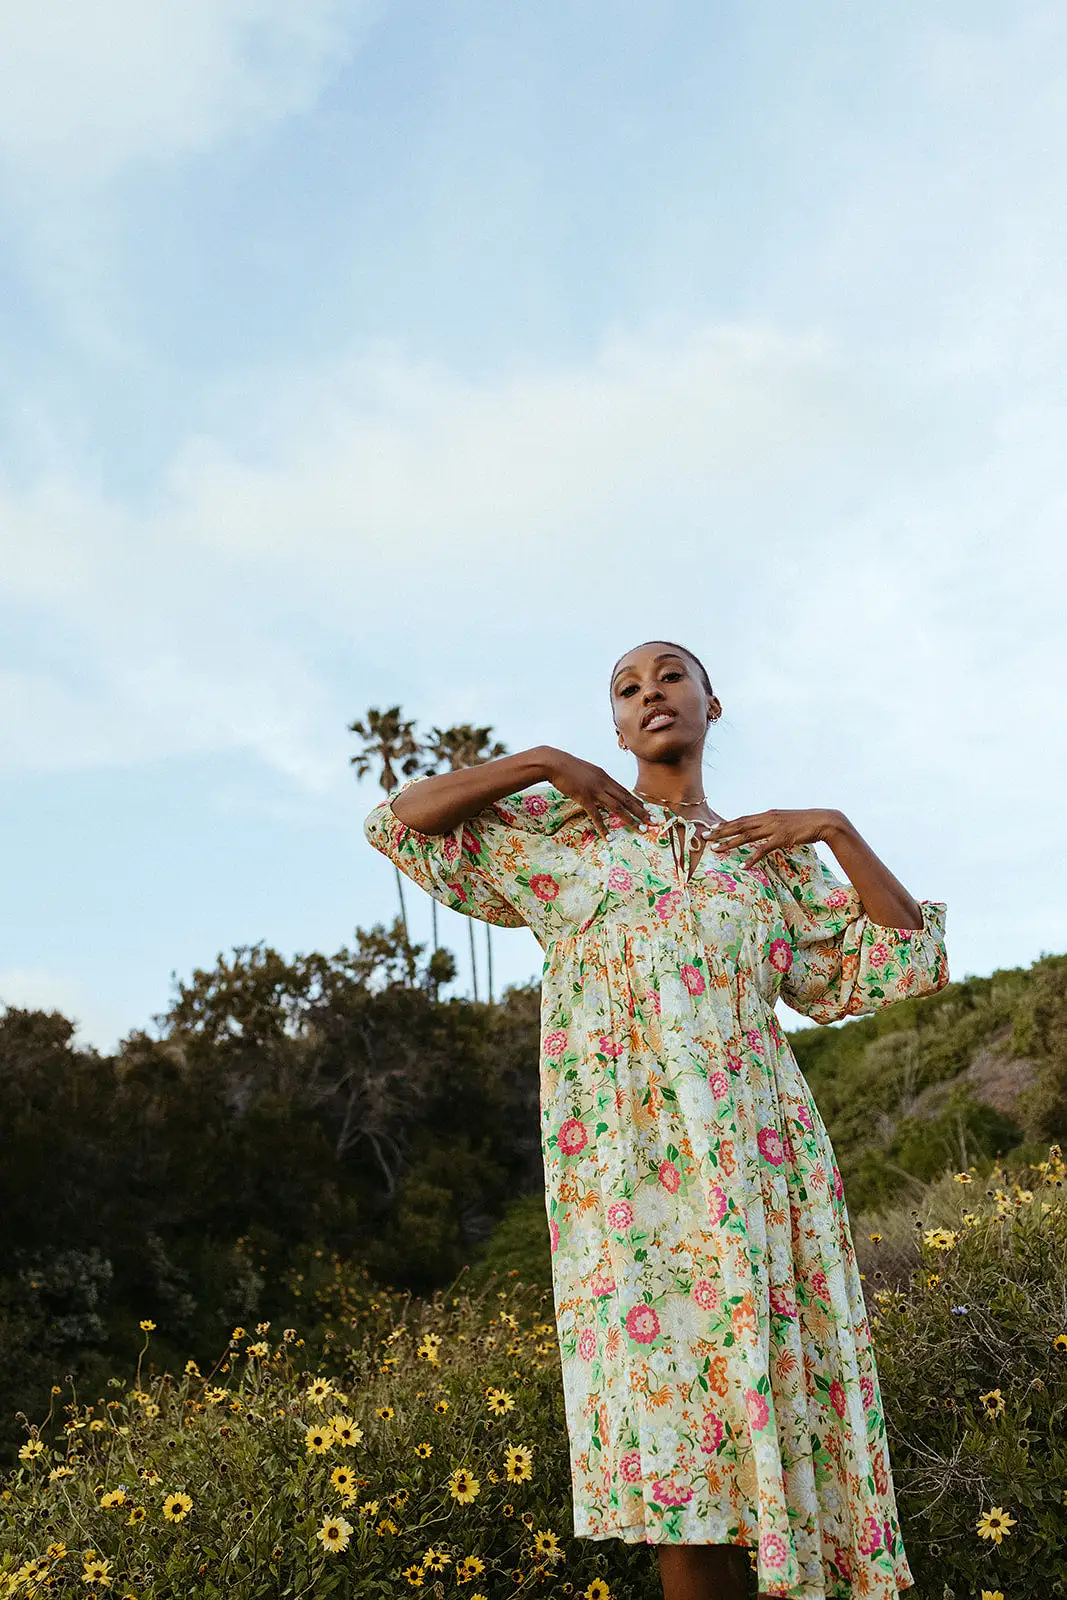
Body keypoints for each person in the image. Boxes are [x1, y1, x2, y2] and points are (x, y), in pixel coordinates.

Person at [363, 639, 949, 1600]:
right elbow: (397, 820)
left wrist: (835, 830)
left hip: (761, 1165)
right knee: (682, 1462)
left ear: (712, 704)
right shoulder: (564, 830)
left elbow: (900, 958)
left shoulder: (764, 855)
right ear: (617, 725)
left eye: (670, 676)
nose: (650, 695)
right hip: (626, 1179)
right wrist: (548, 763)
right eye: (627, 689)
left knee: (782, 1422)